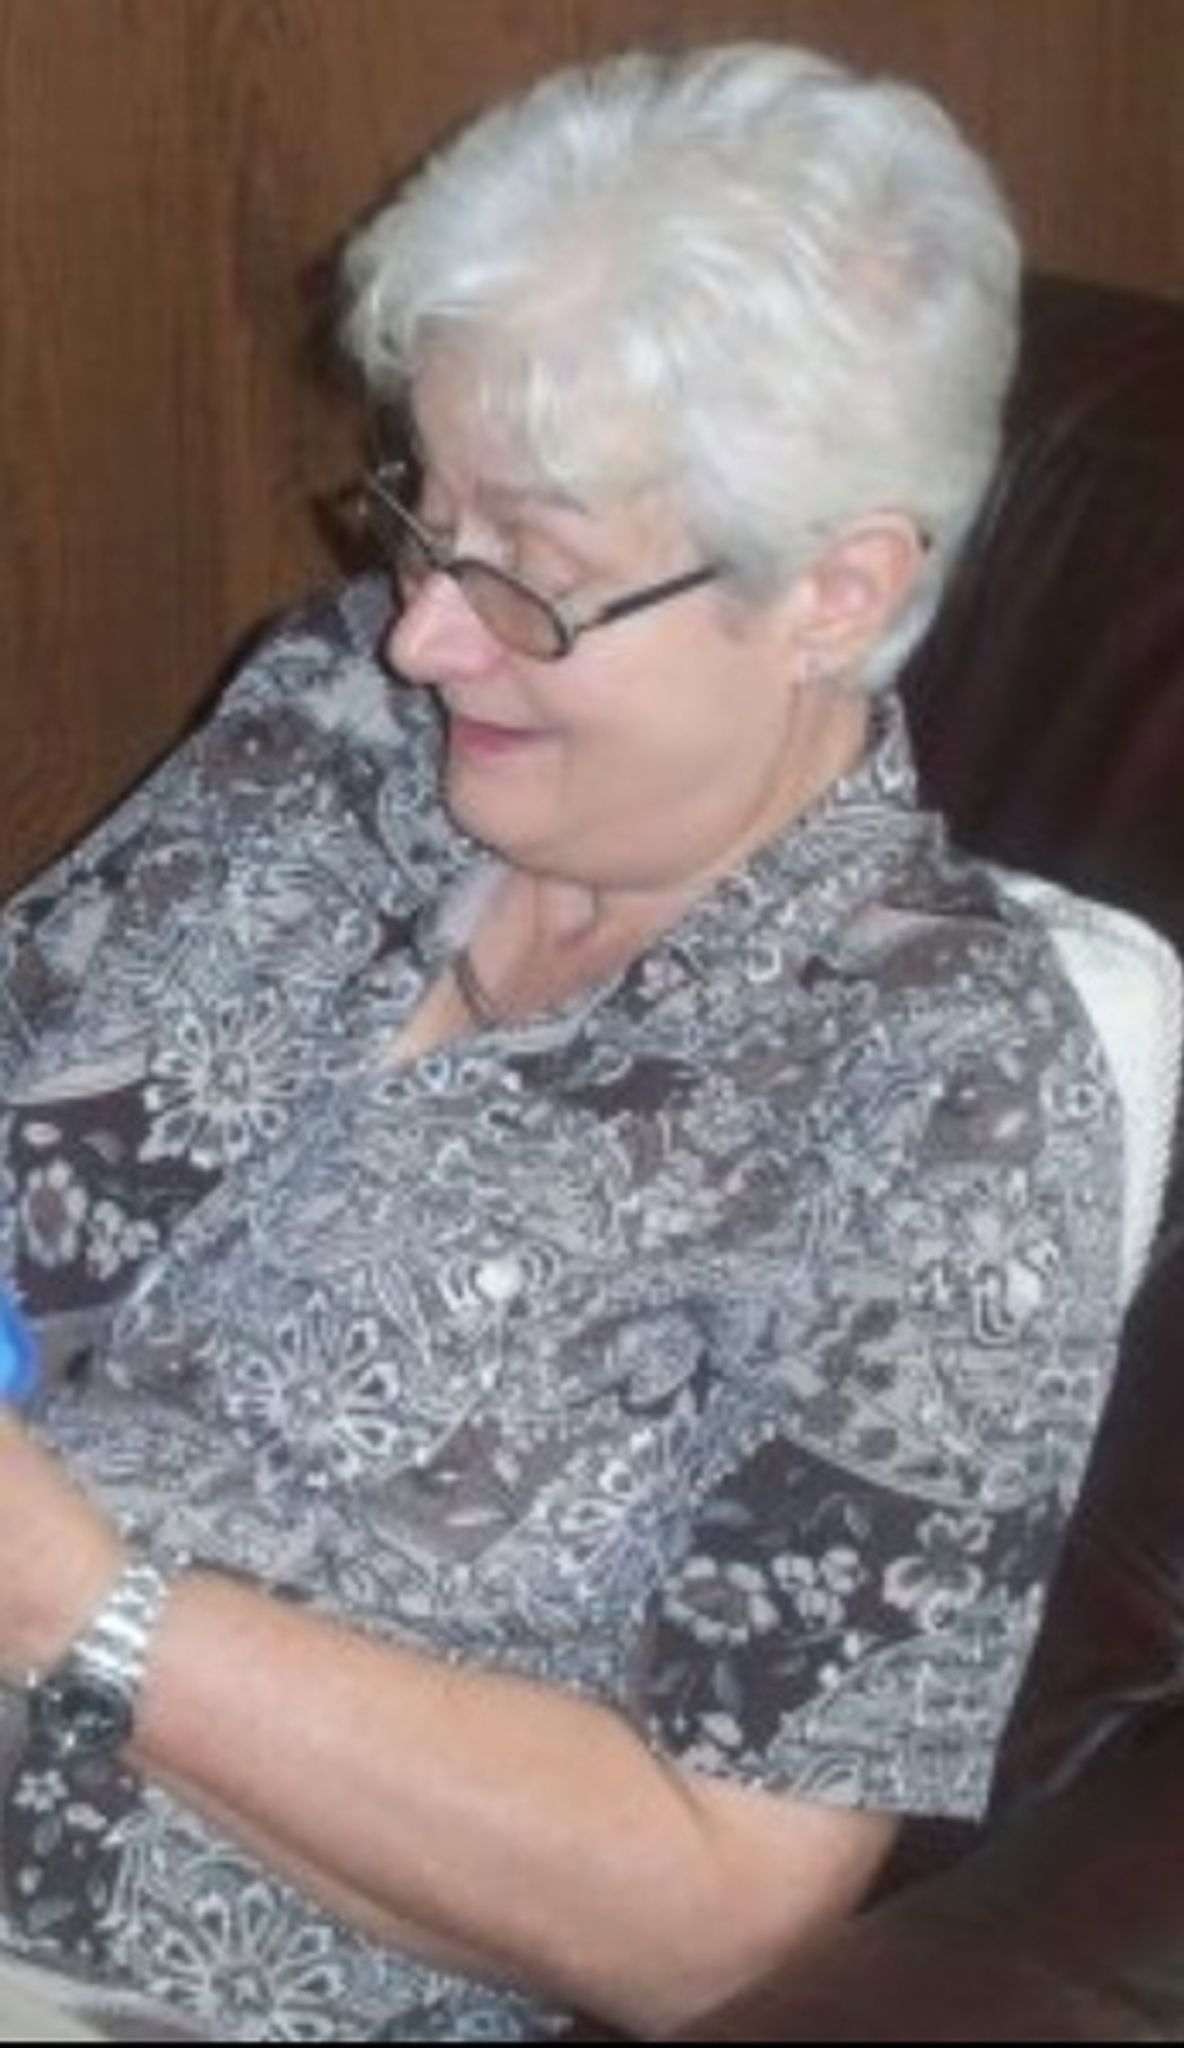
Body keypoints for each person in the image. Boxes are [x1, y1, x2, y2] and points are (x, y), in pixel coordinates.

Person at [0, 40, 1137, 2044]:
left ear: (836, 590)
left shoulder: (946, 1088)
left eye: (529, 572)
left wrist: (80, 1606)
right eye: (419, 513)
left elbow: (713, 1910)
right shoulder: (333, 718)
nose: (420, 630)